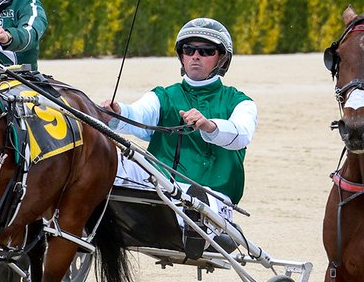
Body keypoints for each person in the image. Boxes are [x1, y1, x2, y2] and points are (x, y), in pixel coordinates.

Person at [103, 17, 258, 257]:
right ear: (181, 56)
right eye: (189, 49)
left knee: (199, 200)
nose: (196, 55)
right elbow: (139, 116)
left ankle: (196, 223)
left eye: (206, 50)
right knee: (108, 156)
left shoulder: (240, 102)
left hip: (212, 196)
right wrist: (117, 112)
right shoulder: (164, 95)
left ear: (222, 58)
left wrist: (209, 126)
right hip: (158, 185)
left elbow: (241, 134)